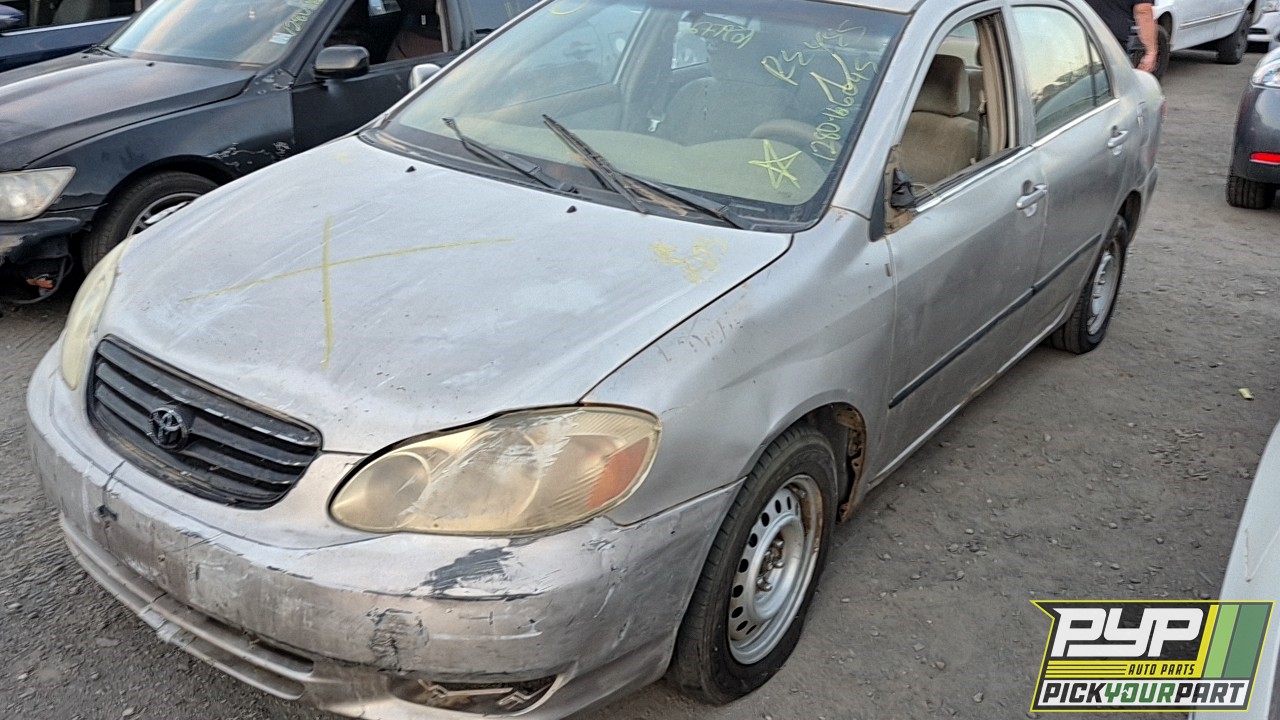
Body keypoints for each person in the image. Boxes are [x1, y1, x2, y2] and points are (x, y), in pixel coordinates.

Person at [1084, 0, 1157, 72]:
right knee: (1113, 79)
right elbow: (1143, 11)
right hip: (1112, 43)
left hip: (1079, 32)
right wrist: (1150, 52)